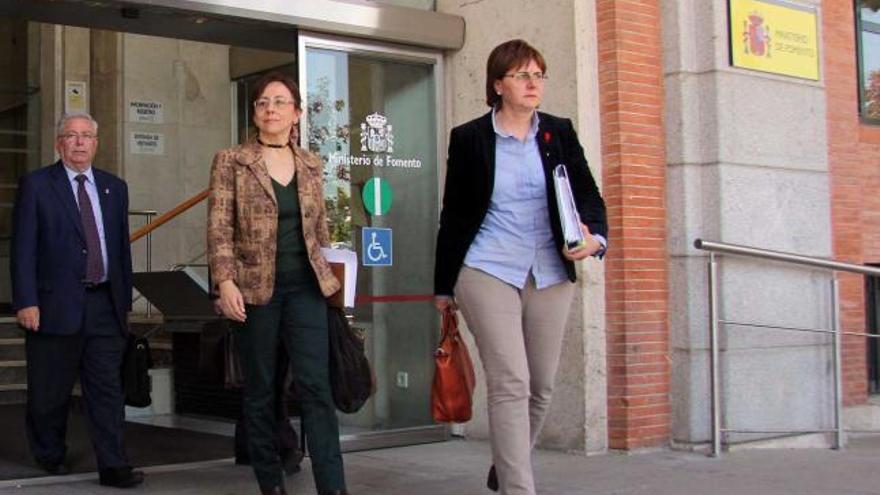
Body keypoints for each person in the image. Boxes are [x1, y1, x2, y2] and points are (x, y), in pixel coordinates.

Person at [433, 39, 608, 495]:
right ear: (498, 84)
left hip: (550, 268)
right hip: (487, 265)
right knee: (512, 380)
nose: (533, 83)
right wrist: (443, 286)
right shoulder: (470, 138)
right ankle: (518, 487)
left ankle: (509, 462)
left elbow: (588, 194)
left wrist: (595, 239)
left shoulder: (558, 132)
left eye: (539, 75)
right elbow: (453, 214)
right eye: (522, 75)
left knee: (541, 386)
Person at [208, 71, 348, 495]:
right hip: (254, 292)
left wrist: (335, 285)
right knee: (261, 390)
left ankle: (334, 486)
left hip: (306, 289)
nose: (271, 109)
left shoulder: (311, 163)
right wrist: (224, 282)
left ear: (297, 114)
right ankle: (271, 483)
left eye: (280, 102)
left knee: (316, 389)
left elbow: (320, 231)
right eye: (263, 102)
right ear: (254, 113)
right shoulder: (231, 160)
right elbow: (219, 227)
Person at [11, 112, 143, 488]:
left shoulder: (114, 188)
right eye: (71, 136)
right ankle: (50, 454)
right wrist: (26, 300)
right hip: (53, 306)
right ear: (59, 143)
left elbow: (119, 250)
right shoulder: (37, 185)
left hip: (104, 305)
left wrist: (124, 303)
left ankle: (114, 465)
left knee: (107, 391)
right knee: (49, 393)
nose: (80, 142)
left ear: (96, 143)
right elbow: (23, 249)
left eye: (87, 135)